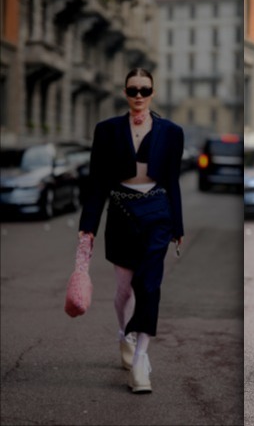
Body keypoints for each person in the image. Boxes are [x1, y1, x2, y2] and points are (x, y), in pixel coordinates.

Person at [79, 68, 184, 393]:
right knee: (125, 288)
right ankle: (124, 334)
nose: (138, 96)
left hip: (157, 212)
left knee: (149, 286)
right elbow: (96, 184)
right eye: (132, 90)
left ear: (153, 92)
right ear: (125, 92)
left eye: (144, 90)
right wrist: (87, 228)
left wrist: (178, 225)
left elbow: (172, 181)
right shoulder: (107, 130)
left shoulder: (171, 131)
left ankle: (140, 361)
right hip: (121, 212)